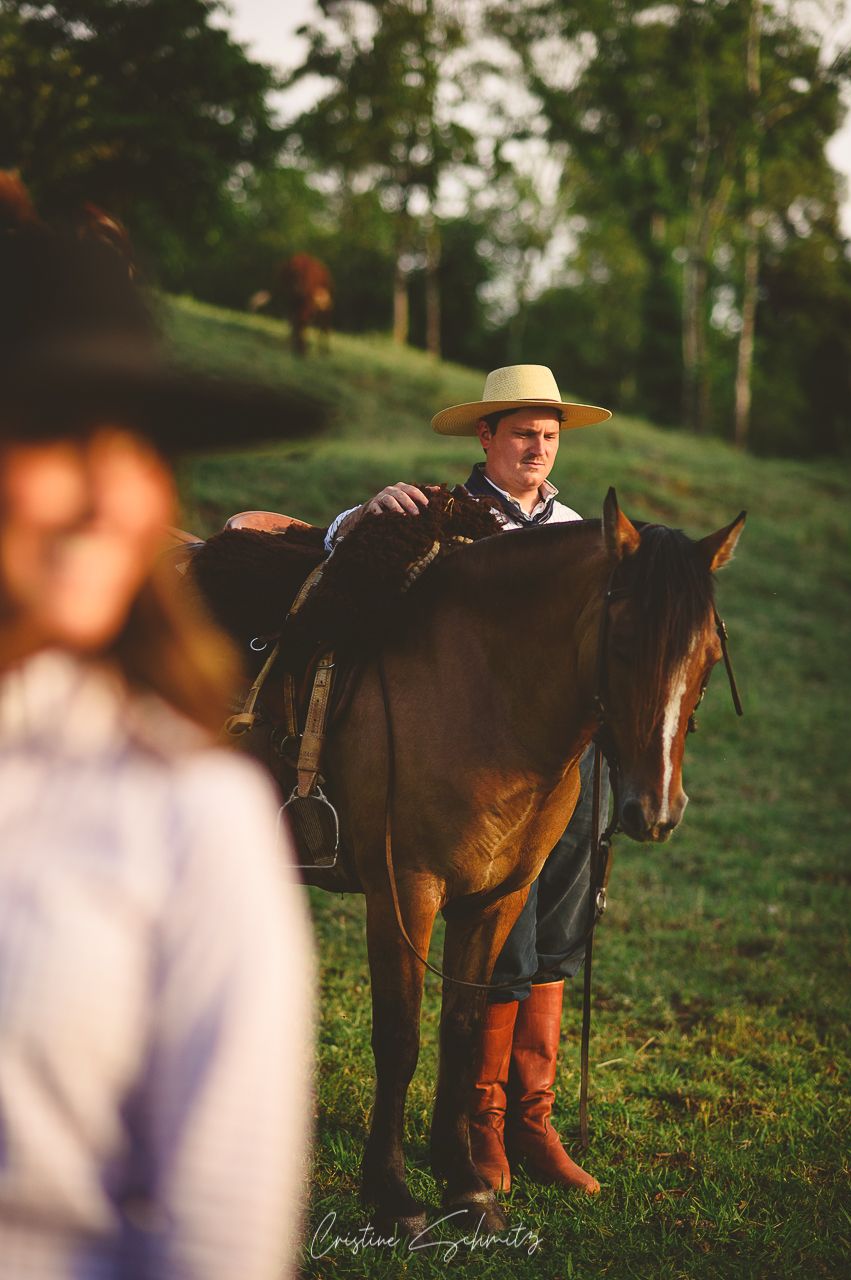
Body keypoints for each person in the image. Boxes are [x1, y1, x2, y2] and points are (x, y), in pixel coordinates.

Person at [0, 175, 318, 1279]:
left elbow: (221, 1241)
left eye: (135, 448)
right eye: (56, 435)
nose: (104, 494)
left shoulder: (188, 814)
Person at [324, 364, 611, 1196]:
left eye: (550, 433)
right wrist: (367, 509)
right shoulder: (450, 516)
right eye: (523, 431)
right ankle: (481, 1125)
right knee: (503, 945)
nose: (539, 445)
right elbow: (346, 544)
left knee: (557, 933)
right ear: (485, 438)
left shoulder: (581, 532)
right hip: (475, 766)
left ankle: (532, 1119)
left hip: (563, 763)